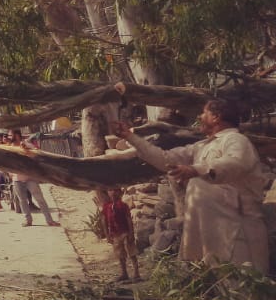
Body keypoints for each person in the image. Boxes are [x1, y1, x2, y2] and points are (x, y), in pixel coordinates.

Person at [113, 99, 268, 268]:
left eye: (204, 113)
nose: (200, 117)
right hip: (217, 232)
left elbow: (235, 164)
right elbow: (165, 158)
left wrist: (196, 170)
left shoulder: (236, 140)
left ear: (216, 117)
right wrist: (131, 137)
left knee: (243, 287)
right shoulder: (202, 146)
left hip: (238, 231)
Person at [8, 129, 60, 227]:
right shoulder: (9, 148)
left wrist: (27, 150)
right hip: (17, 179)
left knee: (40, 199)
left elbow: (37, 152)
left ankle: (49, 220)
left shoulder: (26, 144)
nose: (8, 137)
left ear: (17, 135)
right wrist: (10, 173)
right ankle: (28, 220)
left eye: (10, 135)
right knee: (22, 201)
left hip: (30, 178)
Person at [101, 187, 140, 282]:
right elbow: (104, 221)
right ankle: (124, 273)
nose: (113, 192)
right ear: (107, 192)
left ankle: (136, 273)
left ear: (119, 193)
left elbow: (128, 219)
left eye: (115, 190)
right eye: (110, 190)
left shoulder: (123, 205)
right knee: (120, 254)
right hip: (115, 234)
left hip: (125, 232)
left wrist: (131, 233)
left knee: (131, 252)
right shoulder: (106, 206)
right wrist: (107, 235)